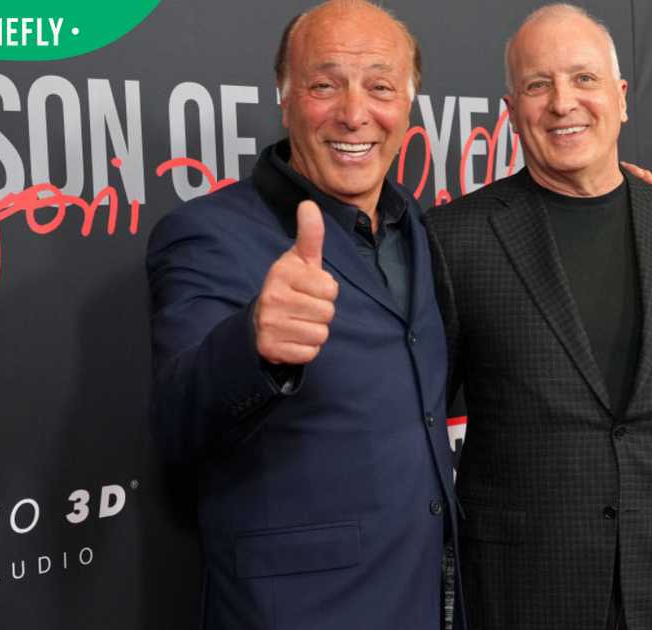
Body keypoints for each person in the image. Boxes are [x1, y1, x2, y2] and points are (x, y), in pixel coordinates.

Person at [425, 4, 652, 630]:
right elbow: (417, 427)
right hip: (522, 597)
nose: (563, 102)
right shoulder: (456, 238)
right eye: (538, 85)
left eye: (584, 79)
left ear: (621, 98)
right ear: (512, 111)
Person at [145, 2, 457, 628]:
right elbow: (177, 418)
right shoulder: (206, 234)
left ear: (409, 105)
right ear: (285, 99)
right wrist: (253, 344)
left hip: (426, 598)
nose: (353, 112)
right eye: (324, 84)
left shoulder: (419, 227)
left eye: (380, 86)